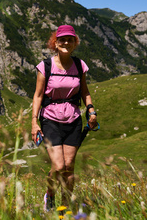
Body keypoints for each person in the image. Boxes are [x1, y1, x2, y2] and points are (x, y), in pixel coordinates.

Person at [31, 24, 98, 212]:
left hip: (74, 119)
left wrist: (91, 111)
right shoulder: (45, 66)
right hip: (50, 119)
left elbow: (85, 92)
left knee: (69, 166)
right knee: (59, 165)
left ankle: (65, 207)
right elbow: (37, 95)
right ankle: (50, 195)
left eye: (70, 39)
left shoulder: (79, 65)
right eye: (62, 39)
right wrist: (34, 122)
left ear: (75, 42)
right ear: (55, 42)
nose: (66, 42)